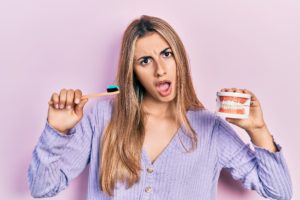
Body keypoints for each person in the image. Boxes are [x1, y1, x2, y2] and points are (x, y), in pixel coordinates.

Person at [27, 15, 293, 200]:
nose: (160, 69)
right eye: (145, 60)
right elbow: (42, 188)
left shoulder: (210, 129)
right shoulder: (101, 117)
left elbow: (279, 191)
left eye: (166, 54)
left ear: (180, 58)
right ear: (131, 72)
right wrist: (56, 133)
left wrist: (258, 130)